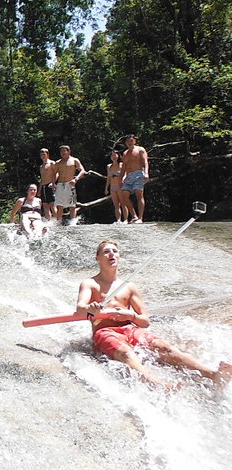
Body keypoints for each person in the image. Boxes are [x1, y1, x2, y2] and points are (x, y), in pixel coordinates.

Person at [76, 239, 232, 389]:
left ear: (119, 257)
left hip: (131, 329)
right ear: (97, 258)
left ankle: (212, 374)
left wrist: (130, 316)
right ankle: (157, 383)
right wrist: (91, 308)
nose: (112, 254)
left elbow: (145, 321)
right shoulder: (89, 284)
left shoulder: (129, 286)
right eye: (106, 252)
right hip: (105, 331)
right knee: (125, 353)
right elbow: (80, 309)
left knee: (164, 347)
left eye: (115, 251)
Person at [120, 135, 149, 223]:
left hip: (138, 173)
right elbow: (124, 167)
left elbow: (145, 162)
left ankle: (140, 217)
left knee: (138, 193)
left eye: (131, 140)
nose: (129, 142)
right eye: (128, 141)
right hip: (128, 175)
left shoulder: (140, 149)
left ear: (135, 141)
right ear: (126, 143)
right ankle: (134, 216)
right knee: (124, 195)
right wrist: (121, 178)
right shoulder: (125, 153)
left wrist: (146, 173)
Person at [53, 145, 86, 223]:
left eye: (64, 151)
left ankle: (72, 223)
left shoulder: (74, 160)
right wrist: (53, 183)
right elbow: (55, 174)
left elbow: (82, 171)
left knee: (72, 205)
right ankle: (59, 223)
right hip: (60, 185)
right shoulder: (58, 162)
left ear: (68, 151)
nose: (62, 153)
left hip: (70, 184)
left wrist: (76, 179)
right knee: (59, 205)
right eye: (61, 151)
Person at [104, 150, 128, 224]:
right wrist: (106, 188)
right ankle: (118, 220)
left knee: (123, 203)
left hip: (120, 186)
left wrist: (123, 180)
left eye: (115, 155)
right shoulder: (109, 166)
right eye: (112, 155)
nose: (114, 157)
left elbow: (125, 174)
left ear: (118, 156)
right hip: (112, 187)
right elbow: (108, 177)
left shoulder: (121, 165)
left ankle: (126, 220)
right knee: (116, 205)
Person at [38, 148, 57, 220]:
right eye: (41, 154)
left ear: (47, 154)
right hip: (43, 186)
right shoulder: (41, 166)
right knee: (45, 205)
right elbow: (42, 179)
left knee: (52, 204)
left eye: (44, 154)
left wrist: (53, 183)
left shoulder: (52, 163)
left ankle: (57, 222)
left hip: (50, 185)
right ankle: (49, 221)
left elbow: (56, 173)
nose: (42, 155)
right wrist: (39, 190)